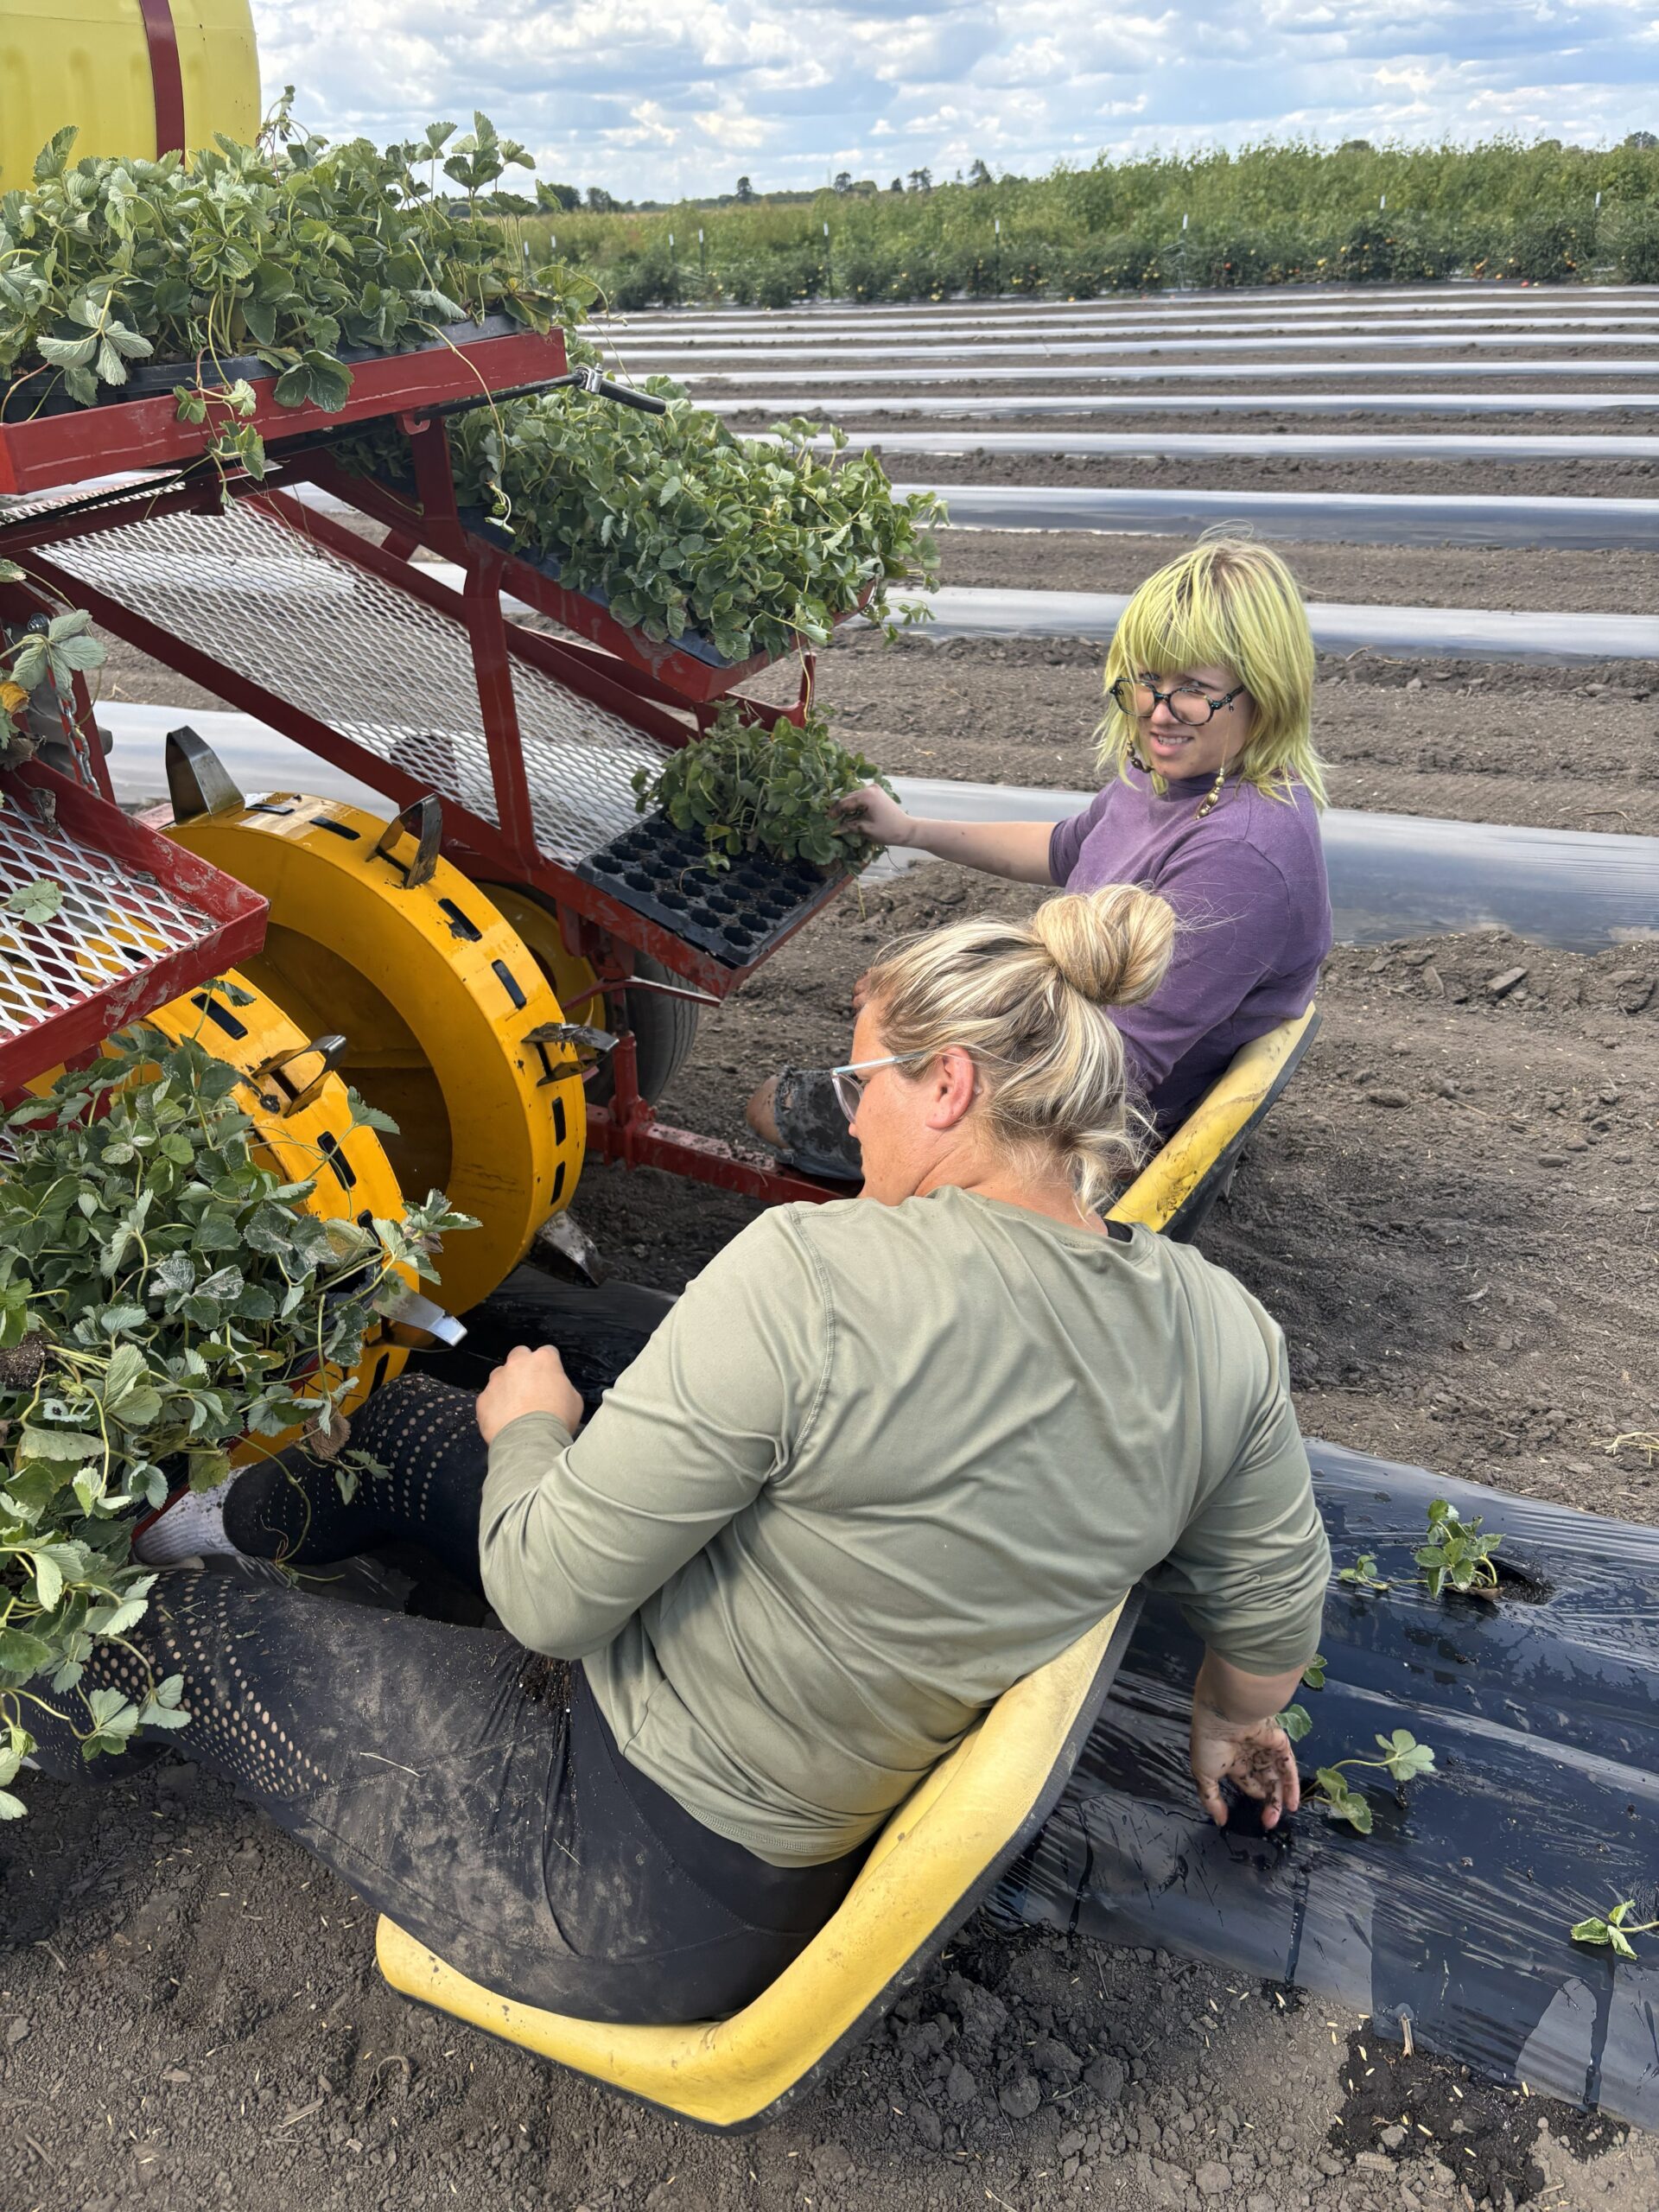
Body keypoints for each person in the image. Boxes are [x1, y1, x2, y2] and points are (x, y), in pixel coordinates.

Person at [30, 884, 1329, 2028]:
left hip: (623, 1878)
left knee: (180, 1633)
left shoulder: (821, 1272)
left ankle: (125, 1594)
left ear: (949, 1087)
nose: (844, 1125)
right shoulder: (1225, 1332)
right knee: (400, 1433)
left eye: (856, 1087)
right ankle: (204, 1514)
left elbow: (547, 1601)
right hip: (777, 1783)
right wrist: (1232, 1721)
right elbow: (1269, 1626)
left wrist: (536, 1426)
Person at [748, 533, 1332, 1182]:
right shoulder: (1173, 775)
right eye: (1147, 678)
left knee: (776, 1106)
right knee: (880, 1026)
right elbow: (1069, 848)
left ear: (1267, 691)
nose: (1158, 712)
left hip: (1076, 1124)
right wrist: (912, 830)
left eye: (1195, 688)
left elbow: (1113, 1070)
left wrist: (946, 1026)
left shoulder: (1239, 857)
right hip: (1061, 1046)